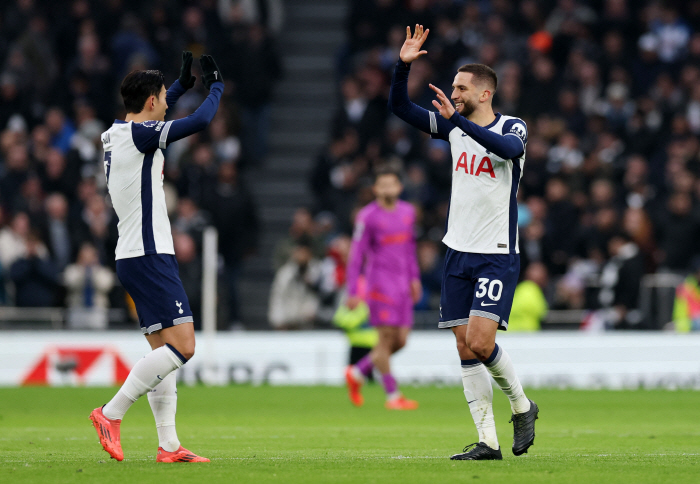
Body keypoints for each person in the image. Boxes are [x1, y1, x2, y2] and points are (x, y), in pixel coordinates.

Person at [388, 25, 537, 460]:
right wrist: (402, 66)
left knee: (481, 342)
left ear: (484, 94)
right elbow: (400, 107)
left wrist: (458, 123)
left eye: (461, 87)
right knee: (463, 345)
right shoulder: (452, 126)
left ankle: (523, 406)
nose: (453, 93)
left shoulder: (513, 126)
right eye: (452, 86)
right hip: (457, 251)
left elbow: (507, 150)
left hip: (496, 253)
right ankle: (488, 441)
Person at [89, 51, 224, 464]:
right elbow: (200, 122)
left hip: (132, 254)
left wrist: (183, 83)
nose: (167, 101)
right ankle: (110, 414)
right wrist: (216, 86)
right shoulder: (142, 136)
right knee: (183, 347)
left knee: (161, 355)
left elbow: (151, 111)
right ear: (151, 102)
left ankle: (168, 446)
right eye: (164, 96)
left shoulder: (116, 132)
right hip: (150, 254)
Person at [344, 164, 422, 411]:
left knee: (400, 341)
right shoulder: (367, 217)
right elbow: (356, 255)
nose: (387, 188)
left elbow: (409, 250)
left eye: (392, 183)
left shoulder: (408, 212)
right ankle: (392, 395)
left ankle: (358, 372)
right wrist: (353, 290)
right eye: (382, 184)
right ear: (375, 188)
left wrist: (414, 278)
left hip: (402, 285)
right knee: (385, 340)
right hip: (379, 284)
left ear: (399, 187)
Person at [508, 262, 548, 332]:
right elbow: (541, 312)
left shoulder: (519, 288)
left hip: (506, 334)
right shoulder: (533, 289)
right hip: (526, 335)